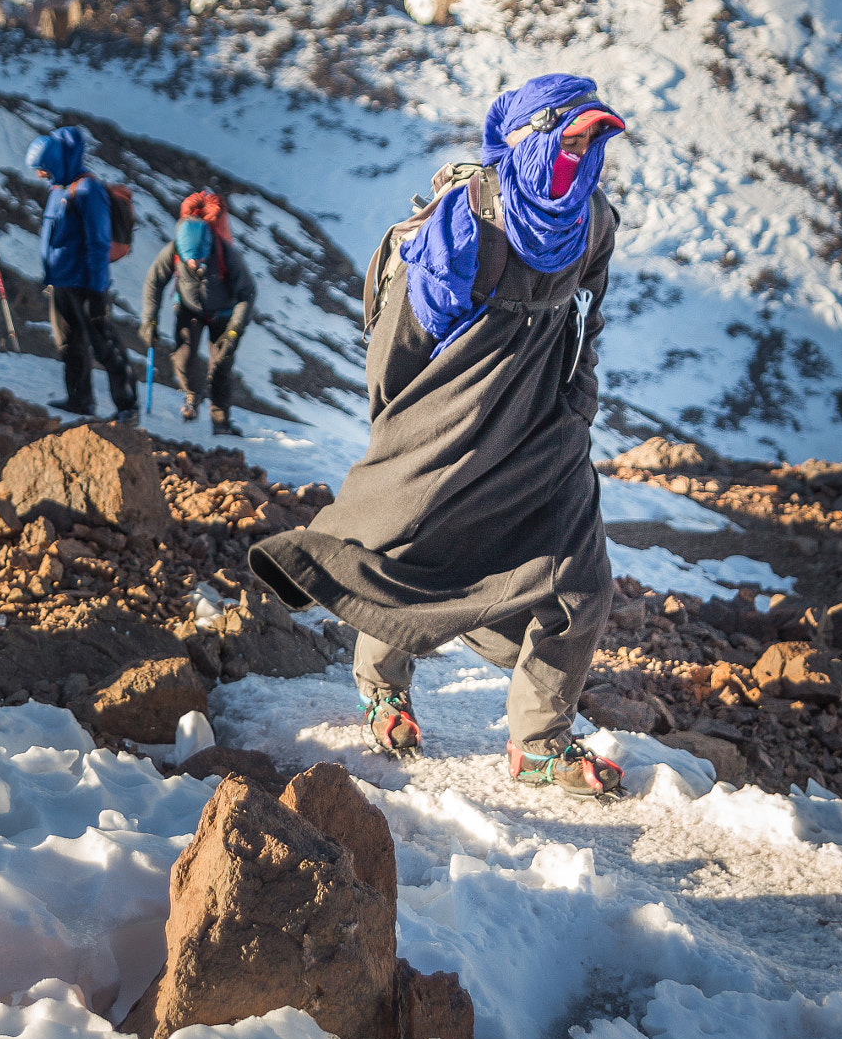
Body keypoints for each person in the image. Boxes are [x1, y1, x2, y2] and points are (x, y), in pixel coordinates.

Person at [249, 72, 629, 801]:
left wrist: (578, 401)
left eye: (592, 143)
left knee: (580, 576)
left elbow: (589, 312)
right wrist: (405, 437)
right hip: (450, 414)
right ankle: (381, 685)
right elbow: (399, 343)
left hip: (545, 417)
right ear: (528, 140)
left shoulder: (592, 220)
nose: (580, 159)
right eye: (569, 141)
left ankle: (540, 742)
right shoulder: (464, 227)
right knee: (417, 547)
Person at [26, 125, 136, 421]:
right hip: (62, 282)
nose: (40, 175)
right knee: (69, 343)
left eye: (43, 168)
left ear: (56, 162)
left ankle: (127, 408)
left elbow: (98, 243)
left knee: (103, 345)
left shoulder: (87, 190)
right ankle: (80, 401)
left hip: (86, 285)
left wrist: (98, 291)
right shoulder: (59, 188)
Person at [141, 206, 255, 435]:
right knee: (183, 357)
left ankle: (220, 421)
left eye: (199, 259)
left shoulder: (227, 255)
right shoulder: (174, 249)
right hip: (189, 309)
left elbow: (247, 294)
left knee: (221, 364)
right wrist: (149, 320)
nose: (194, 264)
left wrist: (233, 331)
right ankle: (192, 394)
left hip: (224, 315)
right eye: (188, 260)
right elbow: (154, 282)